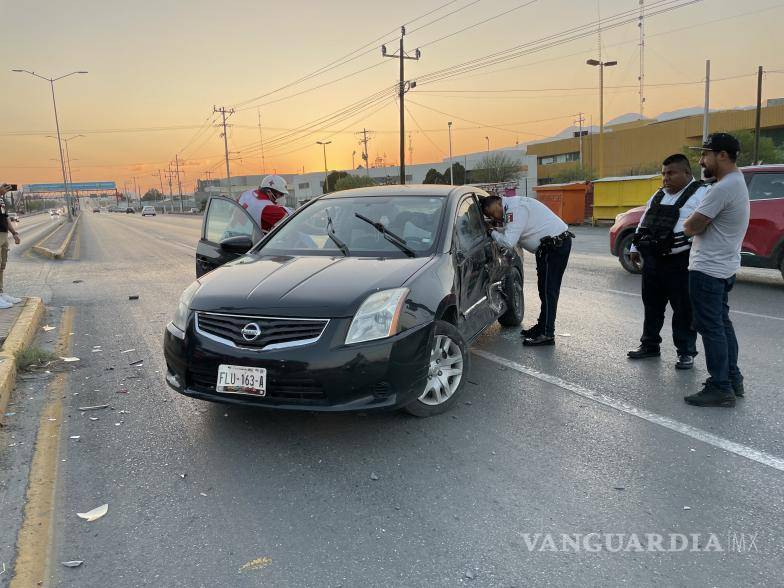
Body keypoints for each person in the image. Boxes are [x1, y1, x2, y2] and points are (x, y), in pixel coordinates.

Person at [682, 133, 750, 407]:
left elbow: (692, 225)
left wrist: (689, 224)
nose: (701, 161)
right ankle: (732, 378)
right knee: (722, 324)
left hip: (708, 269)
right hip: (724, 266)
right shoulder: (737, 180)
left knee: (711, 328)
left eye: (705, 154)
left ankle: (720, 386)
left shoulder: (721, 188)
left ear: (722, 155)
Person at [626, 154, 708, 369]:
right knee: (652, 306)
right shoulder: (659, 194)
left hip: (680, 262)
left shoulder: (701, 194)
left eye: (671, 173)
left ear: (687, 173)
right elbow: (644, 221)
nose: (666, 178)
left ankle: (685, 352)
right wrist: (635, 247)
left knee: (683, 310)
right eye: (663, 174)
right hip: (653, 260)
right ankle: (650, 345)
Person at [481, 194, 573, 346]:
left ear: (498, 202)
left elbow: (509, 242)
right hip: (548, 248)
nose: (493, 217)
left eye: (492, 212)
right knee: (543, 289)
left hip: (554, 247)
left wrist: (491, 231)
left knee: (549, 291)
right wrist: (496, 229)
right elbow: (512, 229)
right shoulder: (513, 207)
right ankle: (542, 326)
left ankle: (547, 334)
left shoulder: (514, 209)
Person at [0, 184, 22, 309]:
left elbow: (6, 217)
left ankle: (1, 294)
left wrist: (14, 233)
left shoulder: (2, 200)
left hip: (3, 234)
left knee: (2, 265)